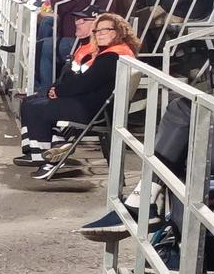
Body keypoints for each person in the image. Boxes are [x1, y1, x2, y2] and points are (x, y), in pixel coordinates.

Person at [14, 13, 136, 165]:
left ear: (118, 32)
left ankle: (42, 155)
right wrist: (58, 88)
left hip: (92, 110)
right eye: (97, 31)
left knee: (35, 107)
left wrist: (58, 91)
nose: (99, 34)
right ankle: (48, 148)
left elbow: (85, 83)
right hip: (96, 106)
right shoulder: (116, 52)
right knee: (30, 102)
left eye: (104, 31)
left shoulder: (111, 56)